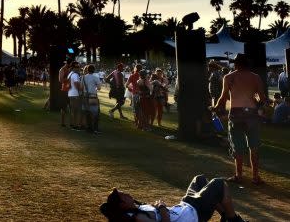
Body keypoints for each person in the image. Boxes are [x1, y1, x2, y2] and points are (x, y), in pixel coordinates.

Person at [212, 53, 268, 184]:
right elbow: (262, 98)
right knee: (254, 147)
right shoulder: (255, 77)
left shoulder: (229, 77)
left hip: (236, 114)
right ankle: (255, 177)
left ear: (236, 64)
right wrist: (259, 104)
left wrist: (215, 107)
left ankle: (239, 176)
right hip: (252, 114)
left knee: (237, 146)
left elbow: (223, 97)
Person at [99, 175, 247, 222]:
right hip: (194, 214)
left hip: (186, 206)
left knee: (199, 179)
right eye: (123, 195)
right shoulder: (137, 218)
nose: (127, 194)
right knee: (219, 183)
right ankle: (233, 219)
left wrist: (158, 207)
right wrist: (162, 206)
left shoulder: (136, 210)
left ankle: (224, 216)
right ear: (123, 205)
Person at [81, 65, 102, 134]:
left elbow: (81, 87)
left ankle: (88, 128)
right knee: (95, 112)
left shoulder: (83, 77)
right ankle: (95, 128)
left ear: (87, 70)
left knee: (87, 112)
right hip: (92, 96)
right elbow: (99, 88)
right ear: (94, 70)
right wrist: (94, 88)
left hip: (85, 96)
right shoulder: (95, 77)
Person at [67, 62, 84, 131]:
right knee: (76, 110)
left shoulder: (70, 74)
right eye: (77, 67)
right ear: (74, 67)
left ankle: (72, 124)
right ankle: (75, 125)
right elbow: (77, 85)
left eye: (78, 67)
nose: (78, 68)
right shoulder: (75, 75)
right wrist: (82, 89)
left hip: (70, 93)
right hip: (75, 94)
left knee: (73, 110)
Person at [58, 60, 72, 127]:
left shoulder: (70, 69)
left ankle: (72, 123)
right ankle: (63, 123)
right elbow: (60, 80)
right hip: (64, 91)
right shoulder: (62, 69)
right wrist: (69, 79)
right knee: (64, 108)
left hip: (71, 90)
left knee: (72, 107)